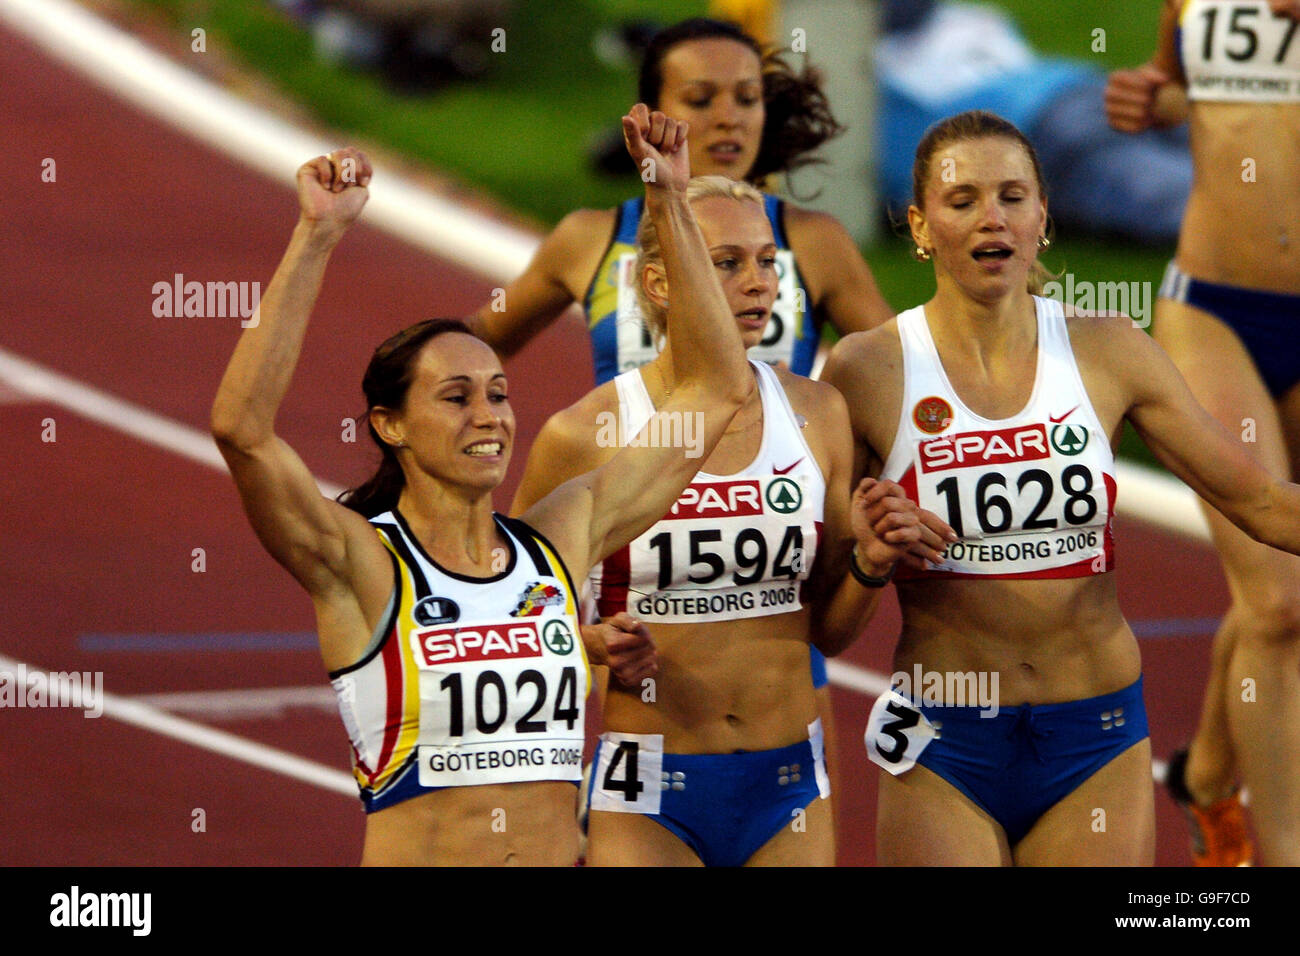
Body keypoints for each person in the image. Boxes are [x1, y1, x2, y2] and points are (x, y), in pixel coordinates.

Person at [209, 107, 758, 865]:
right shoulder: (359, 561)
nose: (489, 416)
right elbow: (242, 430)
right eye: (456, 396)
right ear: (389, 425)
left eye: (499, 393)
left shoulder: (560, 542)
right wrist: (317, 237)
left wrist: (668, 197)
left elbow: (719, 388)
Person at [821, 108, 1300, 866]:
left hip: (1095, 743)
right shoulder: (864, 372)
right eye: (963, 199)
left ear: (1043, 215)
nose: (993, 219)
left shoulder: (1111, 350)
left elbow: (1264, 504)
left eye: (1013, 197)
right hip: (946, 743)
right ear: (920, 225)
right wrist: (868, 561)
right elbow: (827, 627)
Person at [468, 17, 894, 835]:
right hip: (632, 534)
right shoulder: (593, 241)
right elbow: (473, 348)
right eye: (701, 101)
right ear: (651, 115)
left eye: (747, 99)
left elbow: (900, 374)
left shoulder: (812, 243)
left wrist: (864, 489)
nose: (730, 120)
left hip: (772, 527)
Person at [510, 174, 953, 866]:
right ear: (659, 283)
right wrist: (592, 642)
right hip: (648, 790)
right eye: (727, 263)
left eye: (768, 262)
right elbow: (510, 623)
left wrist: (870, 560)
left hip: (788, 787)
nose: (758, 283)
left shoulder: (819, 416)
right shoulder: (587, 433)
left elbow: (828, 635)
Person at [1104, 0, 1300, 866]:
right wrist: (1153, 99)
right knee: (1280, 600)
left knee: (1277, 603)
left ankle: (1209, 775)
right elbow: (1190, 94)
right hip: (1215, 306)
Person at [876, 0, 1193, 245]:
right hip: (1078, 93)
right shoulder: (954, 21)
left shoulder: (866, 82)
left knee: (1189, 207)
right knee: (1218, 156)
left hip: (1043, 133)